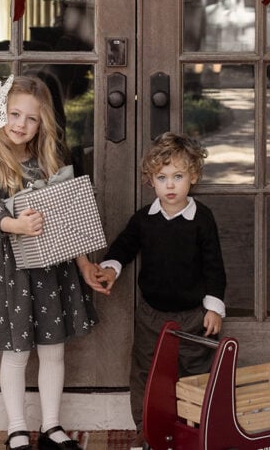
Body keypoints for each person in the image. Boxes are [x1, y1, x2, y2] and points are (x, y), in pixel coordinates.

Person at [0, 74, 107, 450]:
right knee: (17, 352)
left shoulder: (49, 162)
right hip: (12, 272)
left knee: (53, 350)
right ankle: (17, 428)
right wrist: (16, 224)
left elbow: (66, 220)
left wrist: (83, 263)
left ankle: (51, 426)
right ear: (1, 114)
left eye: (31, 118)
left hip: (51, 269)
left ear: (42, 123)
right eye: (14, 114)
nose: (21, 124)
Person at [97, 132, 227, 439]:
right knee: (146, 371)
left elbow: (214, 265)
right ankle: (147, 433)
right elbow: (124, 246)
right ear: (150, 180)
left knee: (195, 373)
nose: (170, 185)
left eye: (178, 176)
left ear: (193, 177)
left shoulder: (202, 218)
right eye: (162, 177)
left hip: (194, 316)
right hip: (151, 316)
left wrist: (214, 307)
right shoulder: (144, 219)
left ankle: (195, 433)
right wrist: (111, 268)